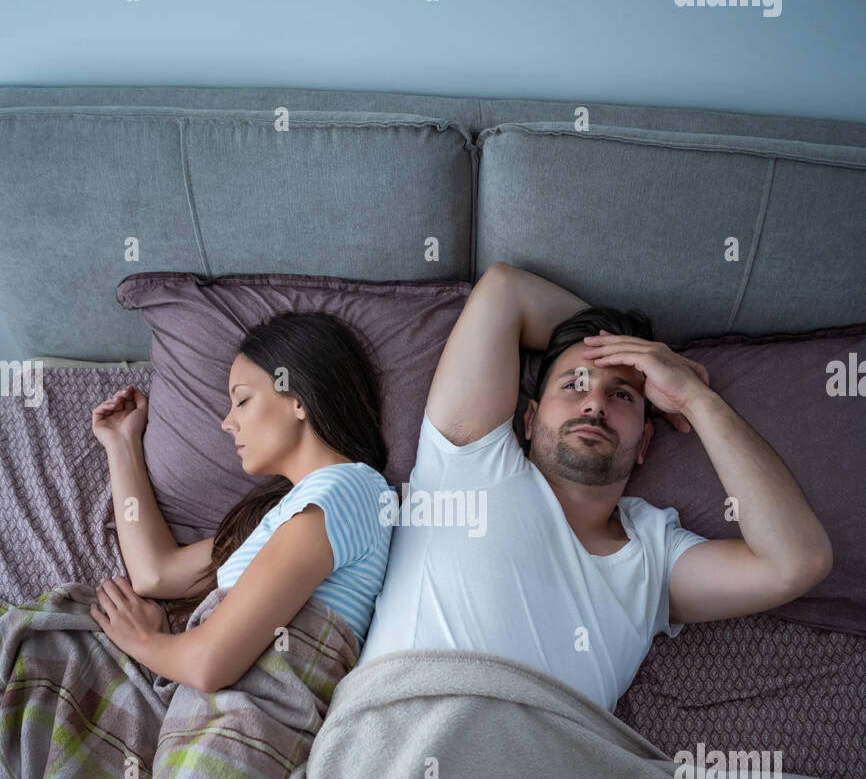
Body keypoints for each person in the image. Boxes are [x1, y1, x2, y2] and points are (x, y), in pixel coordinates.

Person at [357, 262, 833, 712]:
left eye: (622, 395)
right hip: (401, 741)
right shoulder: (469, 458)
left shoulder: (653, 555)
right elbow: (505, 290)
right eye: (574, 384)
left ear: (646, 440)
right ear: (529, 417)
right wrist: (653, 354)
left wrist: (694, 397)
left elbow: (796, 562)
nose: (594, 404)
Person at [89, 311, 393, 692]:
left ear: (298, 399)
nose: (227, 422)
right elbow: (156, 573)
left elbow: (208, 665)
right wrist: (121, 444)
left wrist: (145, 642)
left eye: (242, 400)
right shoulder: (287, 515)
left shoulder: (346, 491)